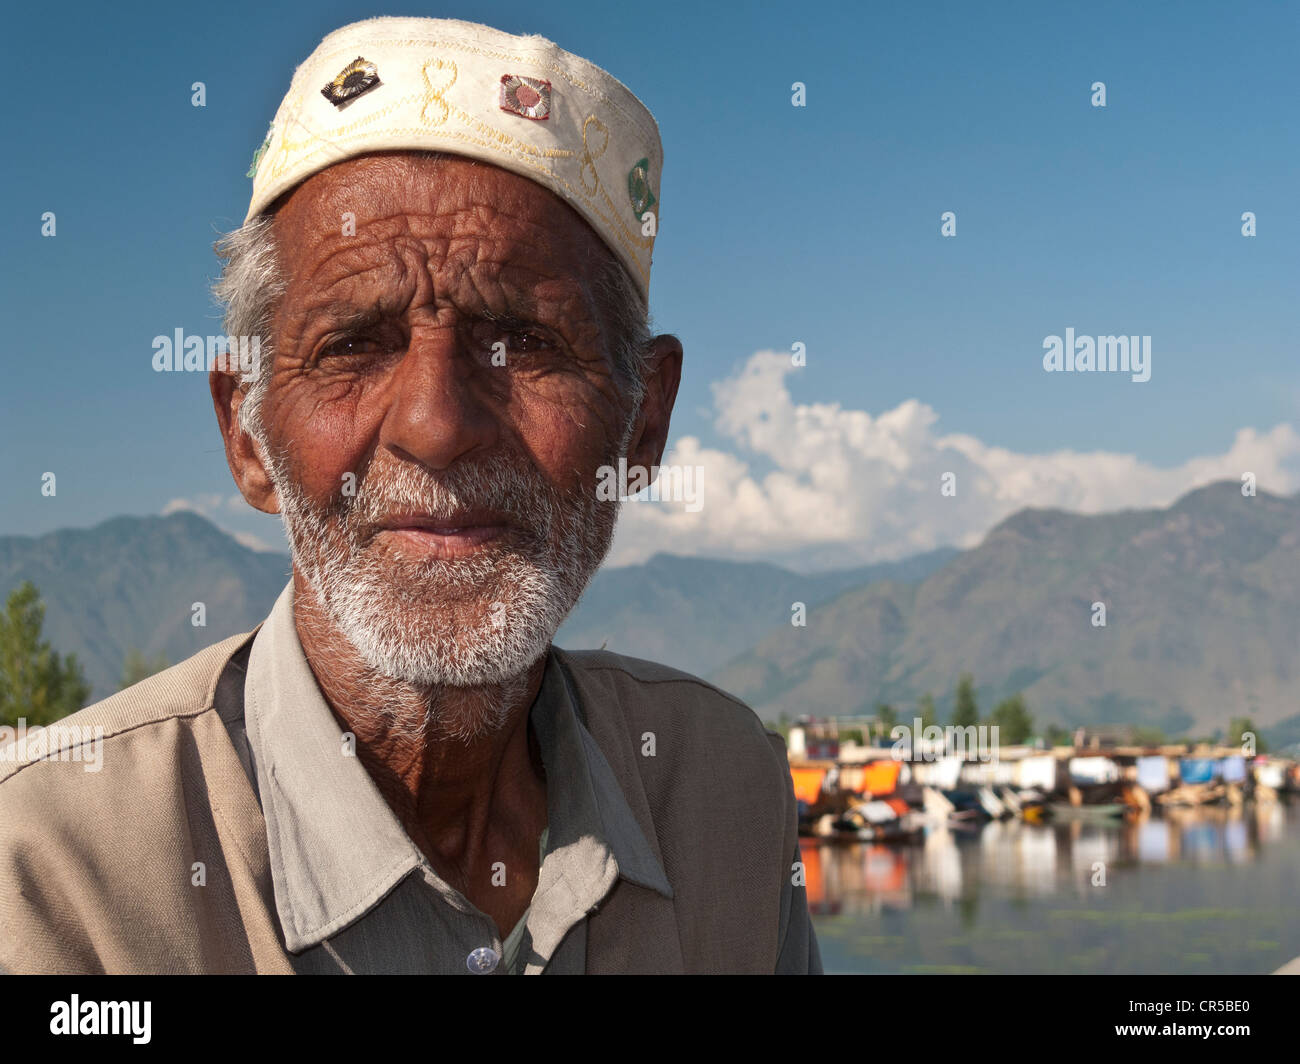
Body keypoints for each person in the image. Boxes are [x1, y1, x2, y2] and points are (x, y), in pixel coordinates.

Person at [0, 15, 820, 975]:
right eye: (353, 344)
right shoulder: (49, 864)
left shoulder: (723, 784)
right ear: (247, 433)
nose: (435, 425)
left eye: (521, 340)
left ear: (644, 423)